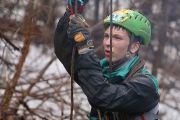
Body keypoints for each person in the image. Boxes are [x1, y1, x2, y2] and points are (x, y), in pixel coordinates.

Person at [54, 6, 160, 120]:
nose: (108, 43)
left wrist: (85, 48)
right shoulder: (101, 71)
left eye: (117, 38)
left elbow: (103, 96)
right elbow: (65, 53)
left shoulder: (145, 86)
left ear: (134, 46)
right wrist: (71, 13)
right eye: (107, 36)